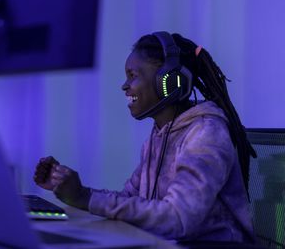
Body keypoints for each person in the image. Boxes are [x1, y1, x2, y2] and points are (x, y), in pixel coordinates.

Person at [33, 32, 256, 244]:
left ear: (169, 82)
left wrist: (84, 198)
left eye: (133, 75)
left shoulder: (206, 133)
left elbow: (178, 219)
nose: (124, 85)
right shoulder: (159, 136)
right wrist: (74, 190)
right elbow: (129, 198)